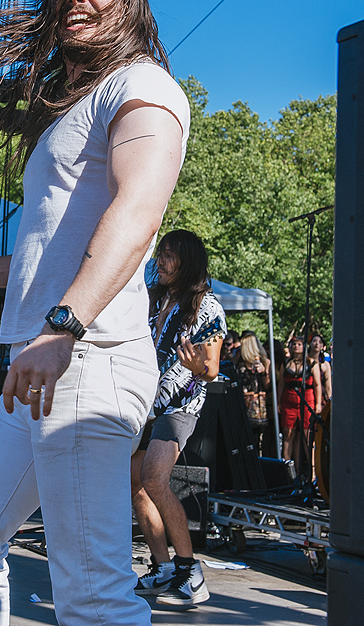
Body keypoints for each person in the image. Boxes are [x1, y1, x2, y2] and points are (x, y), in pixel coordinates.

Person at [0, 0, 189, 626]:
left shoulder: (143, 87)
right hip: (41, 366)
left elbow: (136, 216)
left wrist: (63, 327)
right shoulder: (74, 112)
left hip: (87, 357)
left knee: (92, 590)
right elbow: (60, 251)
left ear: (127, 0)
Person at [129, 230, 225, 607]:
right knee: (134, 484)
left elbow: (211, 368)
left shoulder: (208, 306)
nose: (160, 262)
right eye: (160, 255)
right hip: (143, 402)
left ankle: (190, 570)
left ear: (187, 260)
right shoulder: (154, 300)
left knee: (153, 478)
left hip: (178, 406)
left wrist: (196, 365)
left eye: (168, 255)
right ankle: (163, 565)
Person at [279, 335, 322, 476]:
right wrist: (278, 401)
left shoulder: (312, 363)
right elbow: (281, 384)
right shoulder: (285, 363)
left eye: (299, 344)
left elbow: (317, 384)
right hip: (288, 401)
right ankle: (288, 472)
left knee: (307, 436)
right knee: (288, 435)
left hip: (306, 400)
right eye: (294, 344)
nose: (296, 346)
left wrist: (318, 403)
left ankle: (313, 473)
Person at [233, 331, 272, 456]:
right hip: (241, 404)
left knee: (257, 439)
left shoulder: (265, 362)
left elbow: (268, 386)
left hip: (257, 407)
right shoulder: (239, 361)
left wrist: (264, 372)